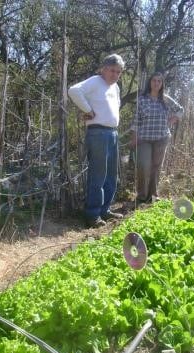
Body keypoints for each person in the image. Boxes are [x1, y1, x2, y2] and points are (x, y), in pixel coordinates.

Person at [68, 54, 125, 227]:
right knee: (98, 175)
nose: (115, 75)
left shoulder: (115, 88)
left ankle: (104, 210)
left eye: (118, 72)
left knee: (111, 176)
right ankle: (92, 214)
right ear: (104, 69)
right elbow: (73, 91)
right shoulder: (95, 81)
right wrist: (87, 109)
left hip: (112, 133)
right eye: (112, 70)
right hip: (98, 132)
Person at [130, 72, 183, 205]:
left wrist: (173, 119)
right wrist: (133, 138)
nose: (156, 83)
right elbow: (136, 120)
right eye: (154, 80)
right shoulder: (142, 99)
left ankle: (153, 195)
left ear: (162, 84)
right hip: (144, 139)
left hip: (161, 138)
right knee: (143, 165)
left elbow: (180, 109)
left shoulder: (165, 99)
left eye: (159, 81)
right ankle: (142, 196)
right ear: (150, 82)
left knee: (156, 166)